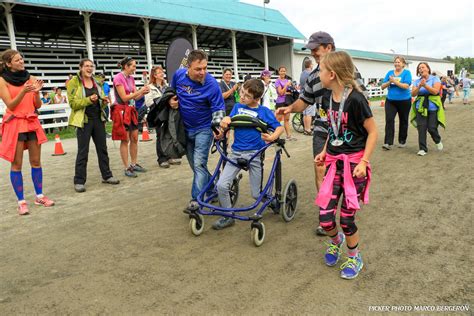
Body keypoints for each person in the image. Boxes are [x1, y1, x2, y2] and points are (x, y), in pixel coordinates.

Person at [277, 31, 366, 237]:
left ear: (329, 47)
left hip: (346, 131)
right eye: (311, 50)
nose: (313, 53)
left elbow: (361, 99)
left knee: (345, 173)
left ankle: (346, 210)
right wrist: (290, 108)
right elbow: (304, 101)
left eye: (316, 49)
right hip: (323, 129)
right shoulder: (313, 76)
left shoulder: (350, 70)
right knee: (321, 170)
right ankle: (327, 213)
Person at [314, 51, 377, 280]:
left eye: (320, 70)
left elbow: (373, 132)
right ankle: (335, 241)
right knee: (325, 218)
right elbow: (334, 130)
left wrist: (364, 161)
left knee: (346, 219)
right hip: (333, 166)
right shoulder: (326, 98)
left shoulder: (357, 100)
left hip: (353, 168)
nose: (318, 73)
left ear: (332, 74)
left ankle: (354, 257)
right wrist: (324, 152)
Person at [212, 79, 284, 229]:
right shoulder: (237, 107)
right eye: (242, 92)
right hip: (235, 154)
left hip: (254, 155)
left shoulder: (263, 111)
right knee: (221, 186)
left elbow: (279, 128)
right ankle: (228, 216)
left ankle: (271, 200)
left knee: (256, 194)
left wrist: (271, 137)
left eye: (247, 95)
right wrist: (224, 124)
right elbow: (228, 123)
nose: (242, 97)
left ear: (257, 99)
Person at [169, 50, 225, 212]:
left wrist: (217, 127)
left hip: (204, 129)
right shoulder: (179, 76)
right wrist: (170, 102)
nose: (202, 72)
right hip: (184, 129)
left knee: (200, 163)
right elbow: (170, 92)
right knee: (195, 166)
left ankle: (196, 200)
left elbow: (218, 108)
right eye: (198, 69)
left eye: (205, 68)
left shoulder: (212, 84)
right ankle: (213, 188)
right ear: (188, 67)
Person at [0, 49, 55, 215]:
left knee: (36, 162)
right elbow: (11, 105)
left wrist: (36, 93)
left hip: (31, 123)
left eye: (21, 58)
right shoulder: (2, 80)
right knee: (16, 164)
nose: (21, 61)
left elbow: (37, 105)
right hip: (15, 124)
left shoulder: (30, 77)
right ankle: (21, 201)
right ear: (8, 64)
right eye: (17, 60)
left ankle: (39, 196)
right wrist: (24, 91)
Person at [67, 58, 120, 193]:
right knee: (83, 151)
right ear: (80, 67)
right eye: (86, 66)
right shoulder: (74, 82)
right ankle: (79, 181)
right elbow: (73, 104)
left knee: (103, 149)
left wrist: (104, 101)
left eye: (91, 66)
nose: (89, 68)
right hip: (83, 121)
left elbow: (101, 98)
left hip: (98, 119)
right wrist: (89, 100)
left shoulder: (97, 82)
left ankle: (107, 176)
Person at [111, 56, 150, 177]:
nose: (135, 67)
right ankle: (126, 167)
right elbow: (124, 98)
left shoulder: (131, 79)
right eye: (133, 65)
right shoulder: (118, 78)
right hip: (121, 110)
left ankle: (133, 164)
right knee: (125, 139)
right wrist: (139, 91)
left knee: (134, 138)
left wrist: (143, 93)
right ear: (126, 66)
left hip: (130, 109)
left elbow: (135, 97)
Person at [144, 65, 181, 168]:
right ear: (154, 75)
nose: (162, 74)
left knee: (168, 134)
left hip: (168, 114)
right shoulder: (149, 87)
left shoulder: (166, 87)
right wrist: (161, 101)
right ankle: (162, 158)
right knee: (160, 136)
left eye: (162, 72)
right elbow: (148, 102)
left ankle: (169, 156)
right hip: (157, 115)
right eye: (159, 72)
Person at [409, 62, 446, 156]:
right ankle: (422, 149)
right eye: (419, 68)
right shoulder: (417, 81)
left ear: (428, 69)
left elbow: (435, 91)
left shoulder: (435, 78)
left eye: (423, 67)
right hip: (420, 107)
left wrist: (425, 85)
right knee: (421, 128)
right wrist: (420, 86)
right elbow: (413, 94)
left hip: (432, 107)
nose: (421, 69)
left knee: (432, 128)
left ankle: (437, 140)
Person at [380, 56, 412, 149]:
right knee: (389, 120)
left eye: (399, 62)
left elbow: (406, 86)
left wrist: (394, 81)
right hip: (391, 101)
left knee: (403, 120)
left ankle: (402, 141)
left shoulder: (407, 73)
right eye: (395, 62)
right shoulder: (390, 73)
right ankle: (388, 142)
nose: (397, 64)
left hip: (404, 101)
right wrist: (389, 82)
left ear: (403, 64)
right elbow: (382, 86)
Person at [275, 66, 296, 141]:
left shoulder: (287, 80)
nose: (283, 72)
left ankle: (289, 136)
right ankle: (275, 137)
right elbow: (280, 93)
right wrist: (287, 85)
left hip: (287, 102)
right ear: (279, 72)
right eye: (281, 71)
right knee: (278, 120)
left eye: (284, 71)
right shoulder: (277, 81)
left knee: (287, 120)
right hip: (280, 102)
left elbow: (290, 91)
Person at [300, 59, 315, 135]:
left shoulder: (302, 73)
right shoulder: (310, 73)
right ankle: (308, 129)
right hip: (308, 95)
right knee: (308, 113)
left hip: (302, 95)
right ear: (310, 65)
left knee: (305, 113)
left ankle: (305, 128)